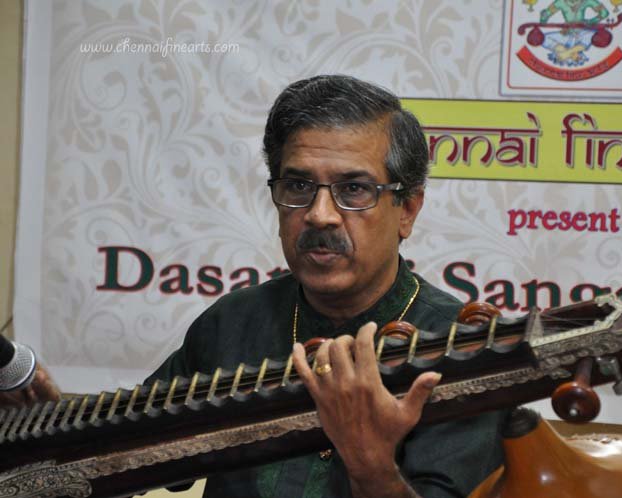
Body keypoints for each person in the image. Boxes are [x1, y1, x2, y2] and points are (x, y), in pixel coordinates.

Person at [3, 75, 507, 498]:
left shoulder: (460, 351)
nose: (320, 214)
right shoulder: (234, 322)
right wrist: (53, 430)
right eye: (298, 185)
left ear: (408, 209)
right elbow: (129, 450)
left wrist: (370, 462)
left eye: (353, 189)